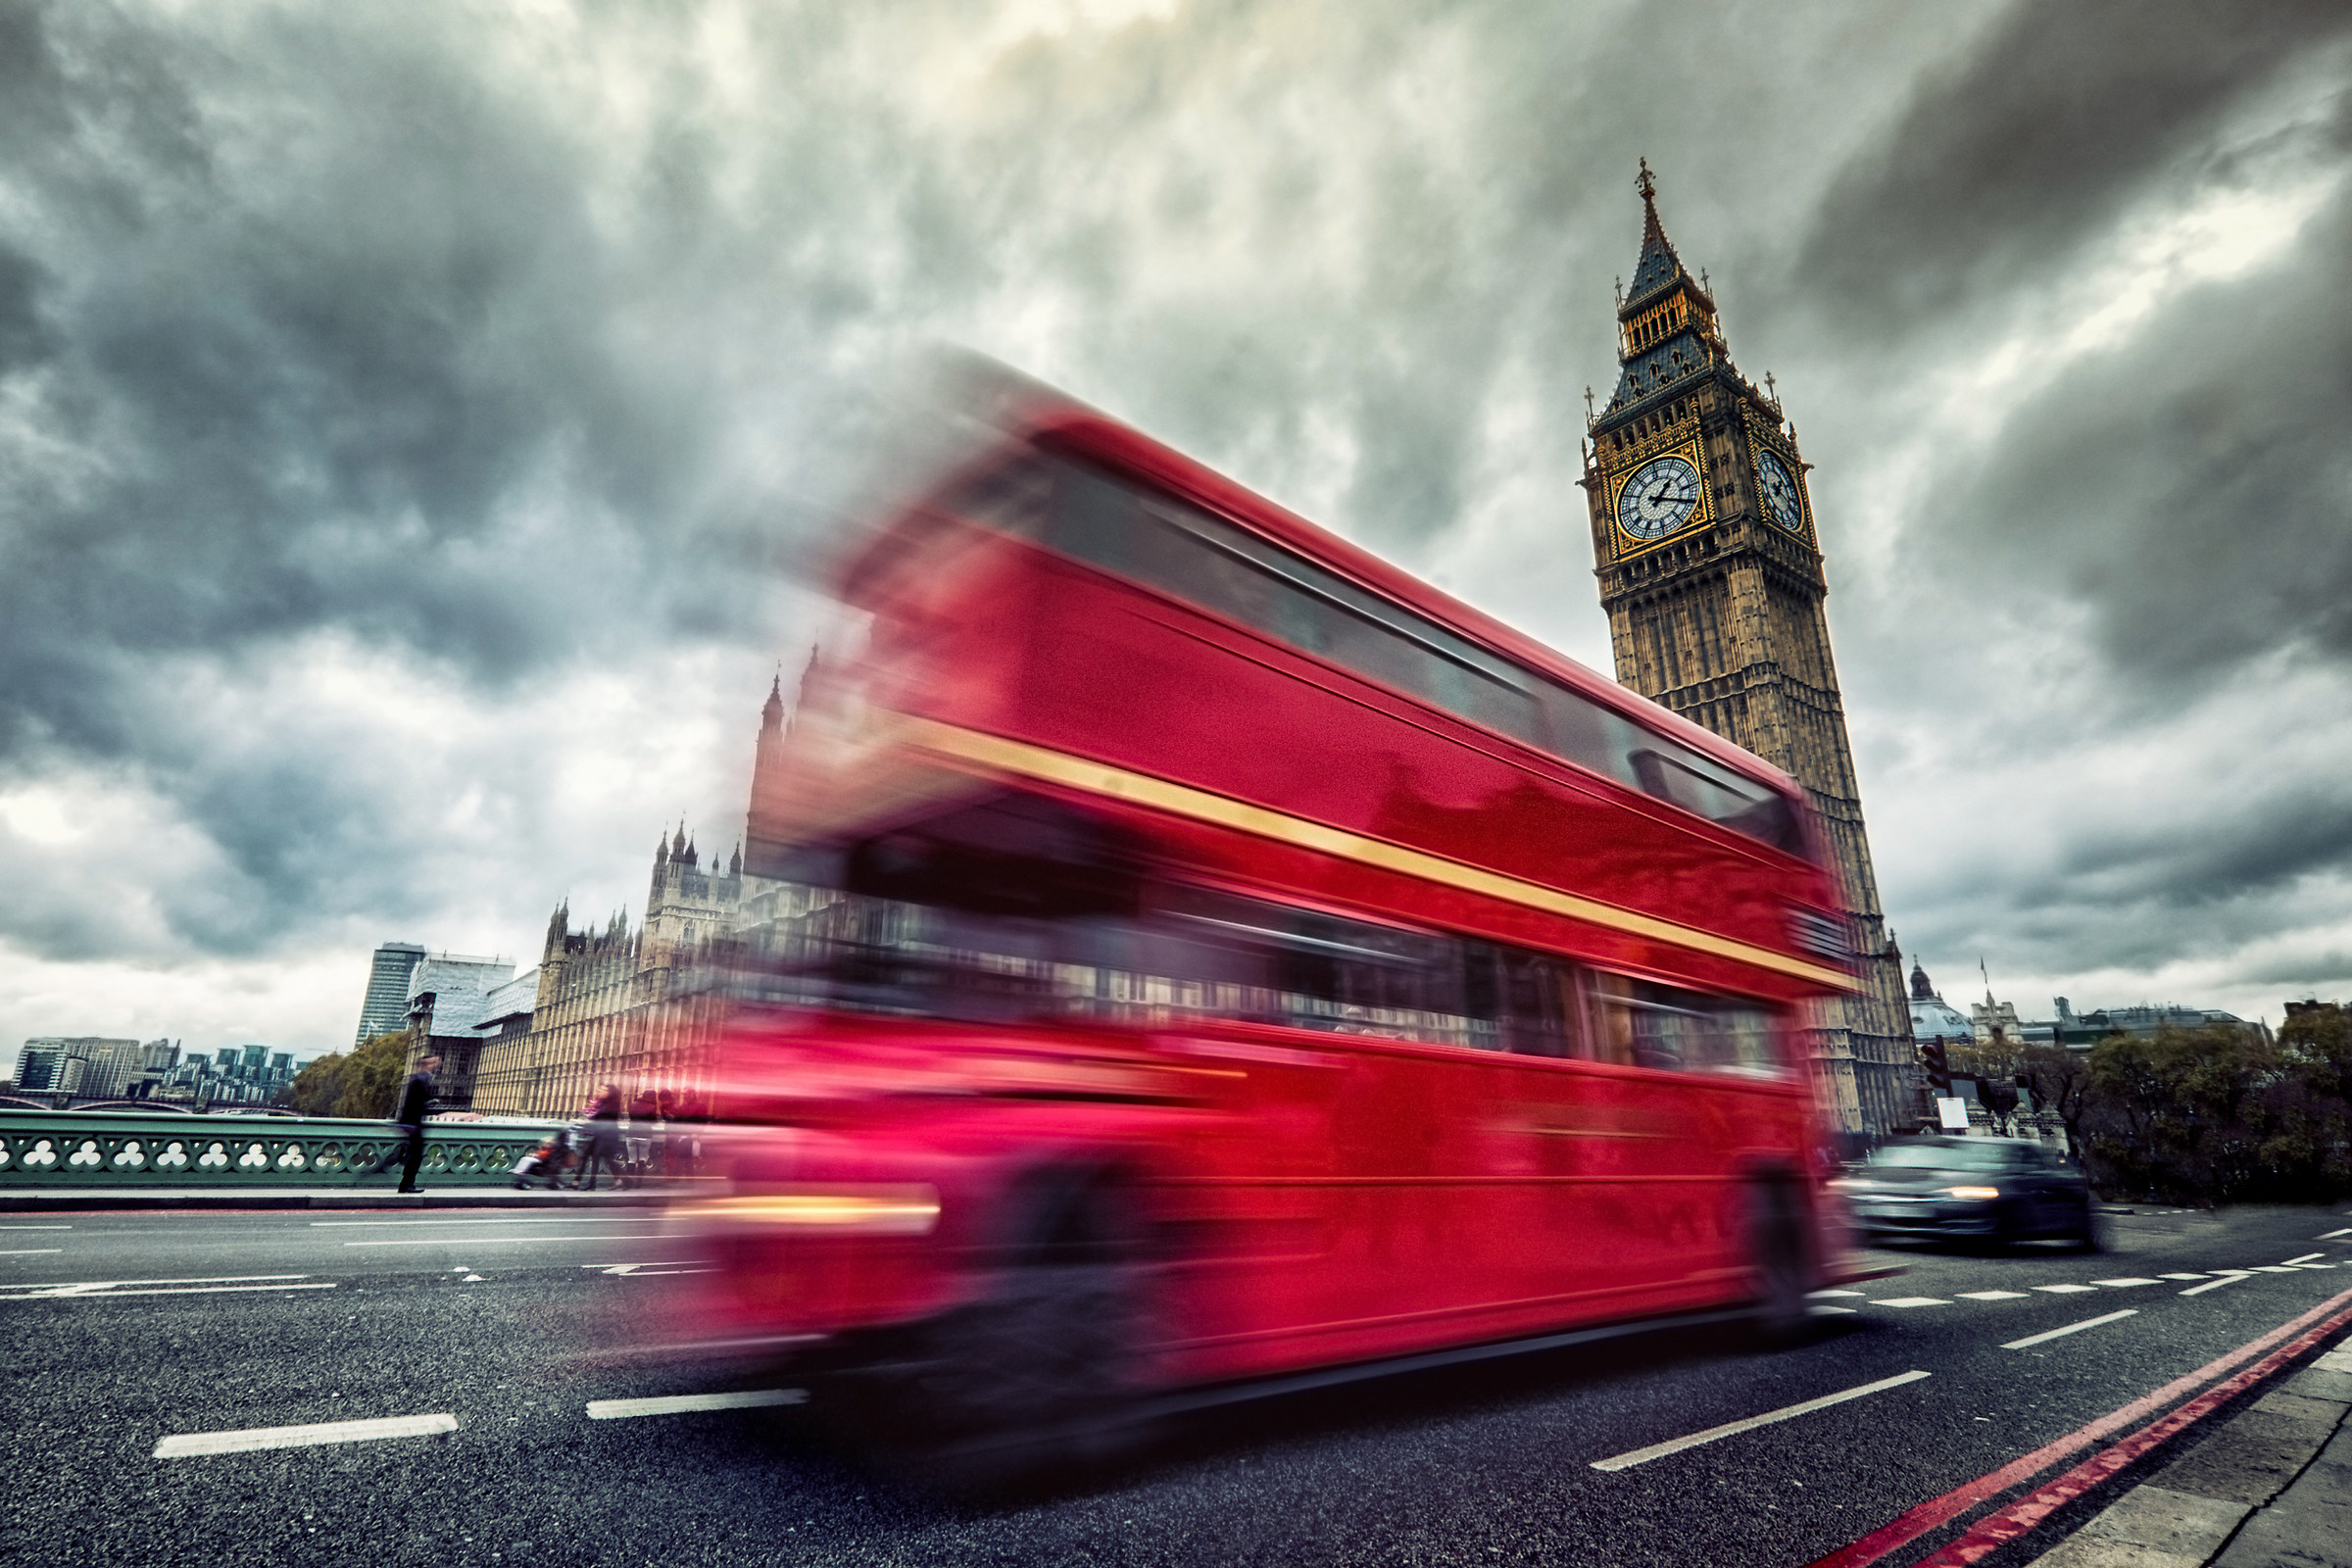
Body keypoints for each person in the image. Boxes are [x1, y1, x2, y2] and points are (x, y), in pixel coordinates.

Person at [393, 1054, 440, 1195]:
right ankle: (406, 1184)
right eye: (433, 1062)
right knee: (416, 1154)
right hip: (412, 1122)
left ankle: (406, 1182)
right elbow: (415, 1104)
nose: (435, 1065)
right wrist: (430, 1105)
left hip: (411, 1122)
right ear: (425, 1064)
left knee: (414, 1152)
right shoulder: (420, 1079)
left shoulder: (420, 1078)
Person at [576, 1083, 623, 1192]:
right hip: (600, 1134)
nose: (600, 1092)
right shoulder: (604, 1103)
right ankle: (621, 1181)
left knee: (598, 1158)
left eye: (604, 1090)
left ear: (610, 1093)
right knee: (604, 1159)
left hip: (607, 1136)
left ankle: (591, 1184)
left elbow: (601, 1118)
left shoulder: (613, 1105)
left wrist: (590, 1118)